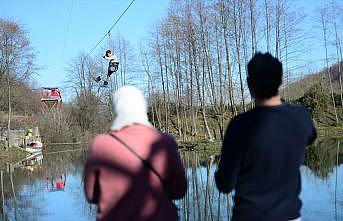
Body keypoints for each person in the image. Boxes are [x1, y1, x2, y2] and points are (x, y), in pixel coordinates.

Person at [215, 52, 317, 221]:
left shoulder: (239, 125)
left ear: (249, 84)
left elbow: (225, 185)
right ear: (282, 80)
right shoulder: (301, 117)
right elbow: (311, 137)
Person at [83, 85, 187, 221]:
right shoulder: (165, 142)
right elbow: (179, 191)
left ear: (115, 110)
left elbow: (92, 196)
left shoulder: (100, 145)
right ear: (143, 108)